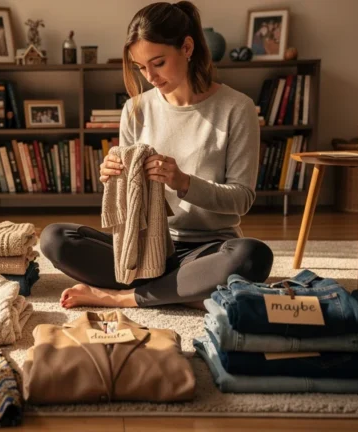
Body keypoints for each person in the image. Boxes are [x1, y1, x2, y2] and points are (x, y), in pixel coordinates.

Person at [39, 1, 273, 310]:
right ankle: (186, 291)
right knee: (55, 238)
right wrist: (113, 180)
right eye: (141, 67)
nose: (149, 75)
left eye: (158, 63)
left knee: (251, 256)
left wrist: (184, 182)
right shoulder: (135, 109)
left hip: (208, 248)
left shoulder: (236, 108)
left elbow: (241, 199)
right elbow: (127, 210)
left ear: (187, 47)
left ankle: (125, 297)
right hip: (144, 246)